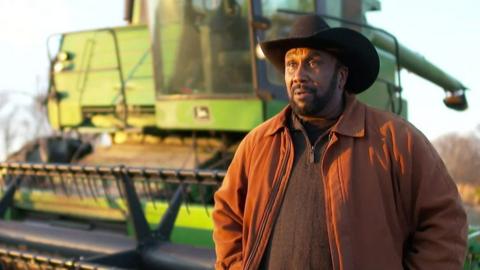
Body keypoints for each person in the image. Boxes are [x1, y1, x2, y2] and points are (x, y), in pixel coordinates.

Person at [212, 14, 467, 270]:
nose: (298, 75)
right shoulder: (258, 143)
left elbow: (446, 222)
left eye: (312, 62)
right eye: (291, 64)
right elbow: (227, 215)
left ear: (341, 76)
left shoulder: (395, 140)